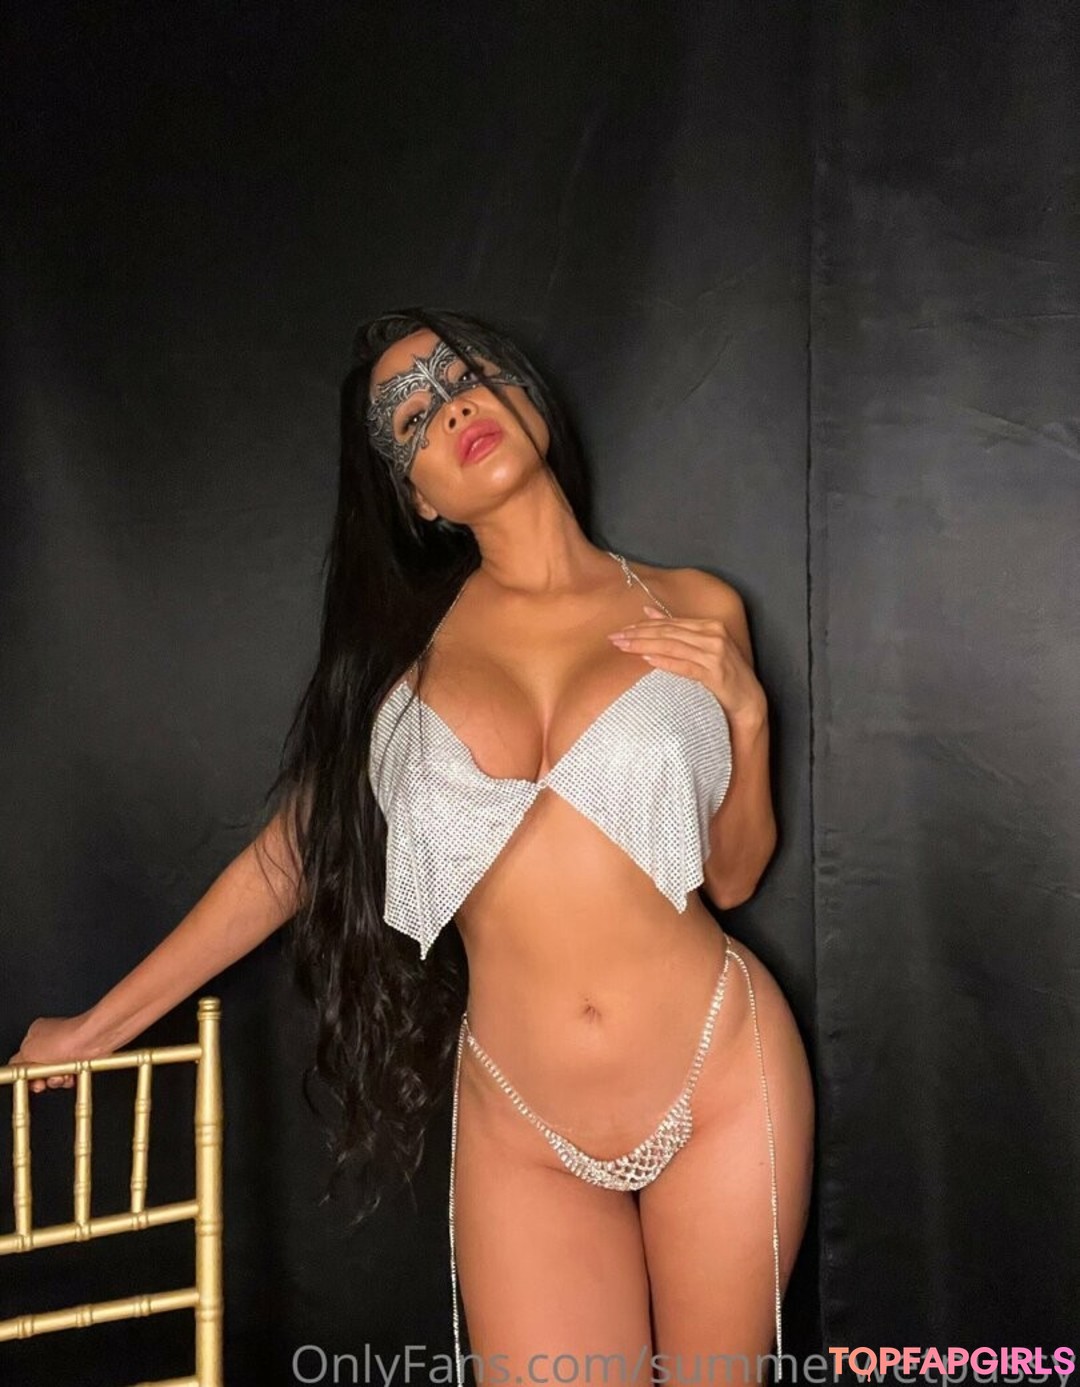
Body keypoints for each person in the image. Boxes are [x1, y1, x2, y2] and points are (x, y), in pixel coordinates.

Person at [10, 308, 815, 1386]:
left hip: (719, 1073)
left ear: (526, 398)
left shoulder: (696, 604)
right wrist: (94, 1029)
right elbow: (287, 862)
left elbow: (735, 874)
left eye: (461, 375)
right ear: (419, 498)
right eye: (411, 417)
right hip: (525, 1123)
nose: (449, 405)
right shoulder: (403, 664)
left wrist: (749, 719)